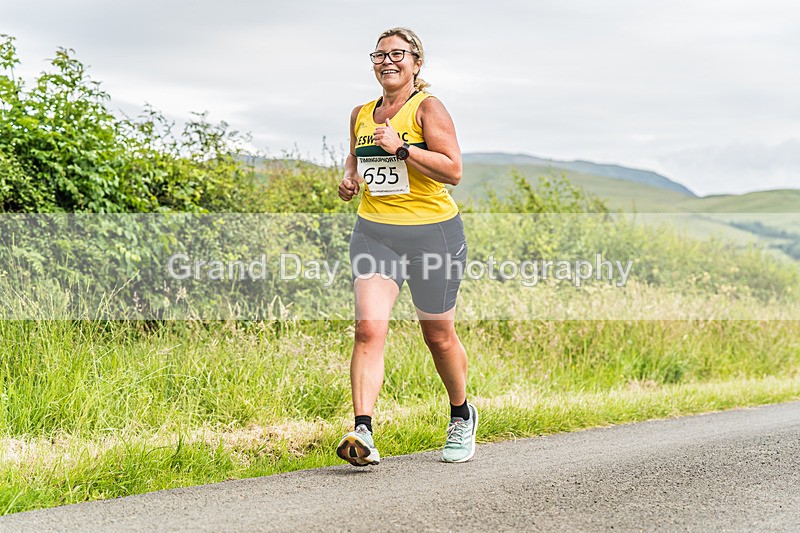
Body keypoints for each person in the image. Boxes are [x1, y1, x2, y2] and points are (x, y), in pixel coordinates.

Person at [336, 27, 476, 466]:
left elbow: (453, 170)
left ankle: (460, 414)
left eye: (398, 54)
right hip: (376, 233)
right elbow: (356, 155)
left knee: (437, 334)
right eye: (379, 55)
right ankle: (363, 431)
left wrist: (403, 150)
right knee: (368, 329)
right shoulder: (361, 111)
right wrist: (350, 178)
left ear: (417, 63)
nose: (387, 61)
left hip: (433, 234)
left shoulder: (427, 107)